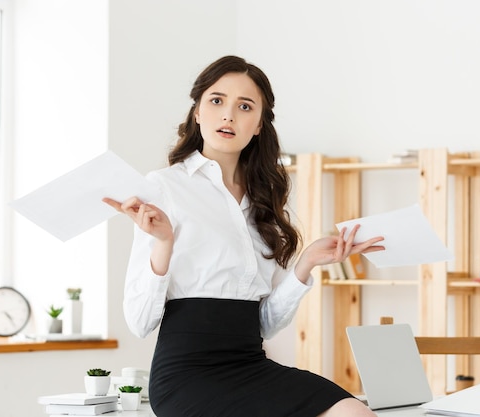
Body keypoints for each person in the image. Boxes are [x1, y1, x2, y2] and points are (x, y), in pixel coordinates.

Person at [103, 55, 385, 417]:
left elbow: (265, 324)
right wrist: (164, 243)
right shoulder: (164, 188)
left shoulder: (263, 202)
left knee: (353, 411)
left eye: (245, 106)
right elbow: (139, 322)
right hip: (186, 377)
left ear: (258, 126)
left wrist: (307, 263)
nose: (228, 115)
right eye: (217, 101)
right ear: (197, 113)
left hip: (251, 364)